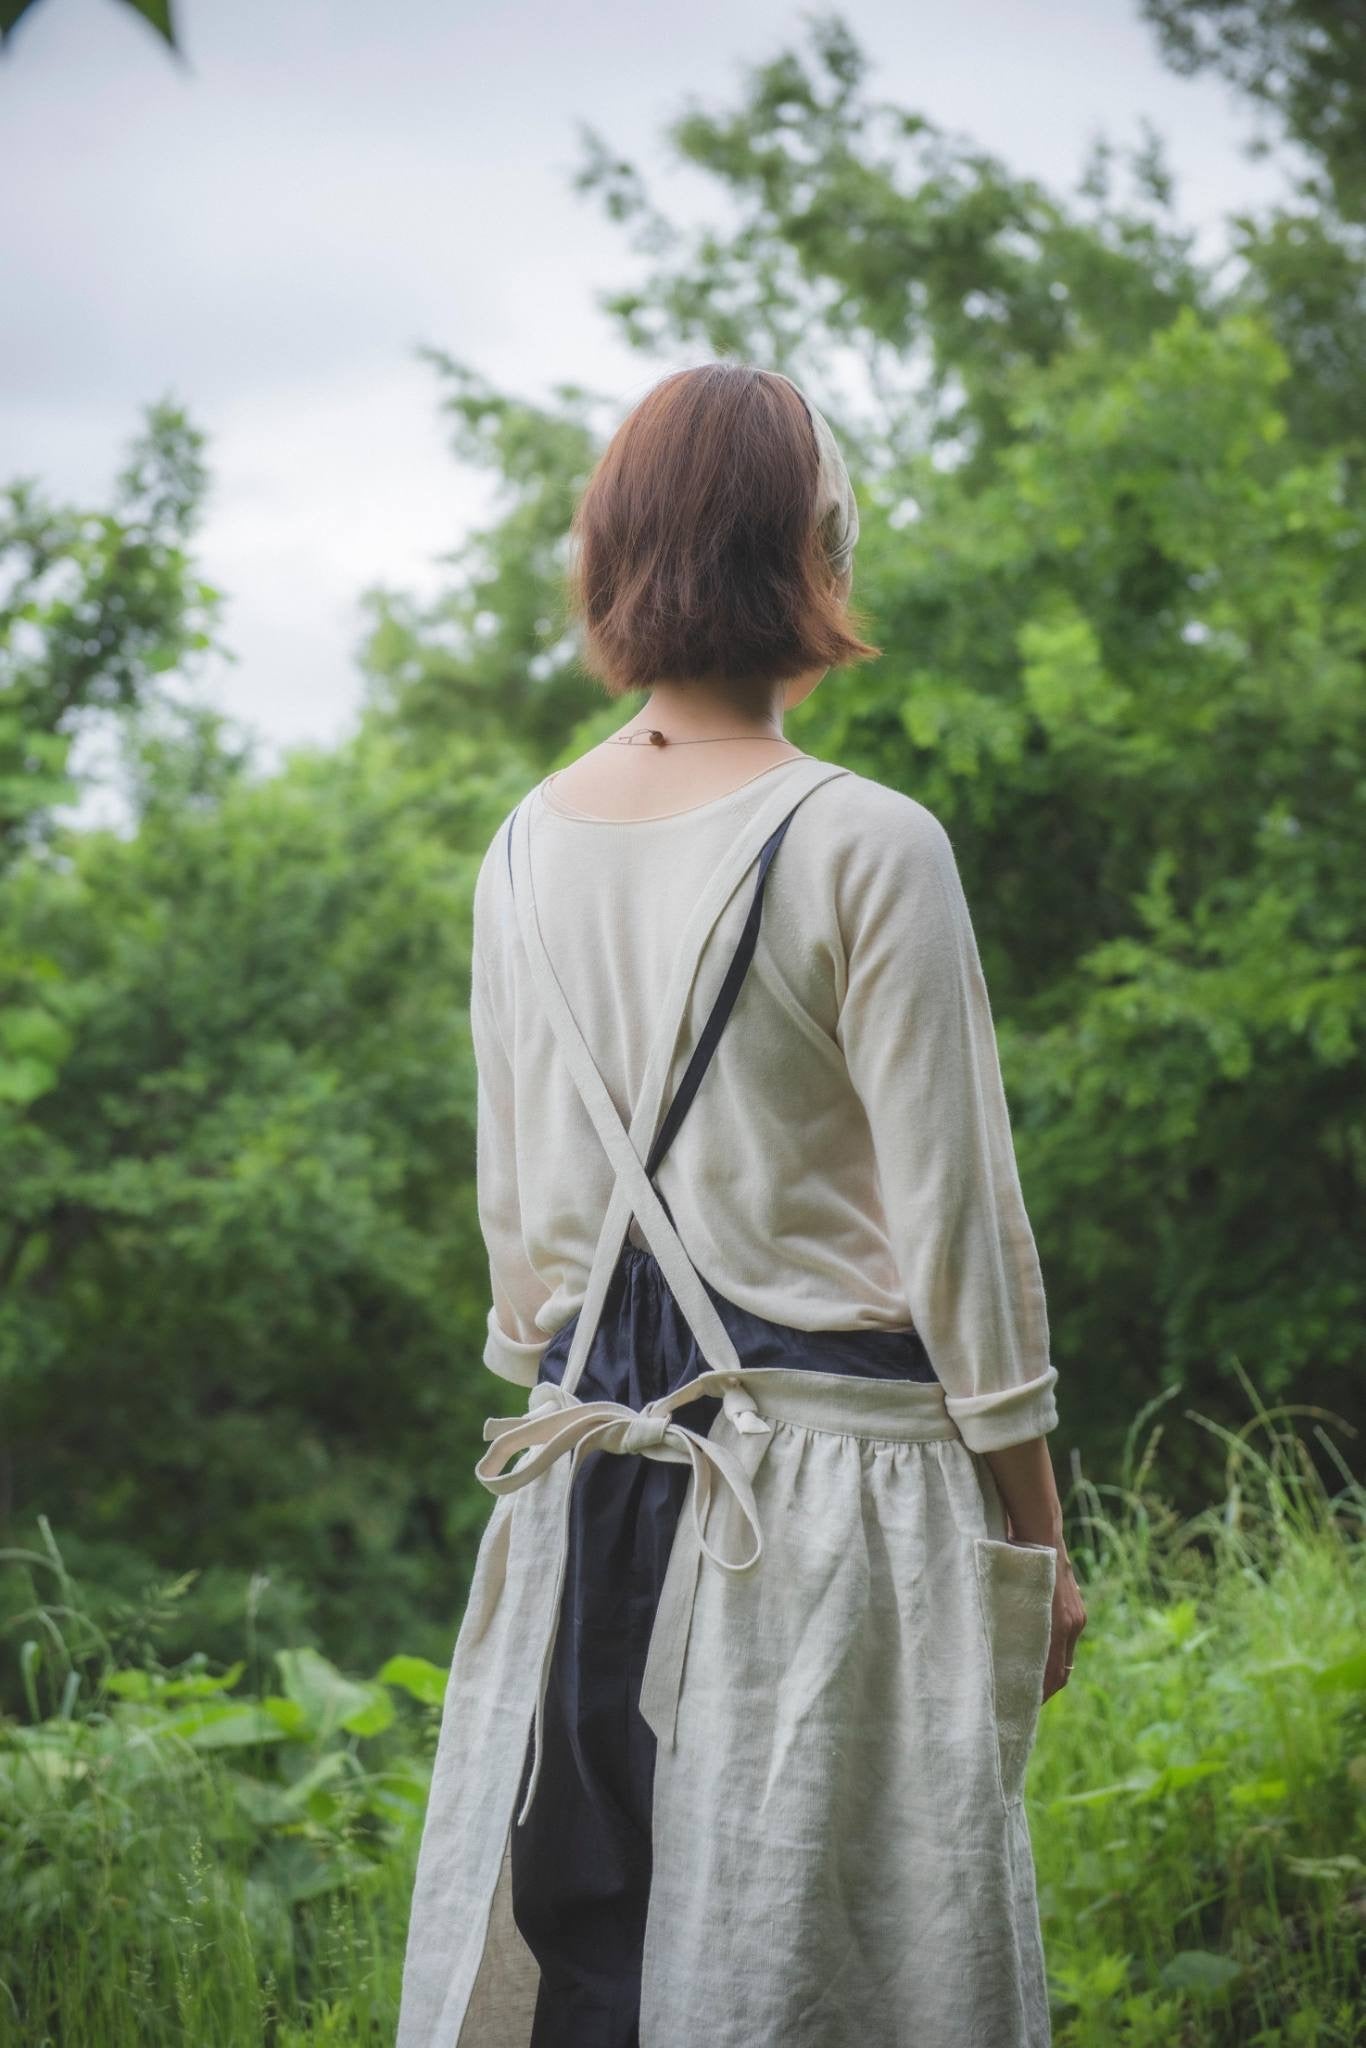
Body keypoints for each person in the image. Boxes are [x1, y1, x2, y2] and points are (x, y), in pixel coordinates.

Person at [395, 360, 1088, 2048]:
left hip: (580, 1493)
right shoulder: (867, 841)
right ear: (808, 555)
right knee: (833, 1974)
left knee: (600, 1972)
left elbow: (525, 1261)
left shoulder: (519, 846)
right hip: (828, 1504)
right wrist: (1039, 1539)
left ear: (616, 557)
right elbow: (960, 1229)